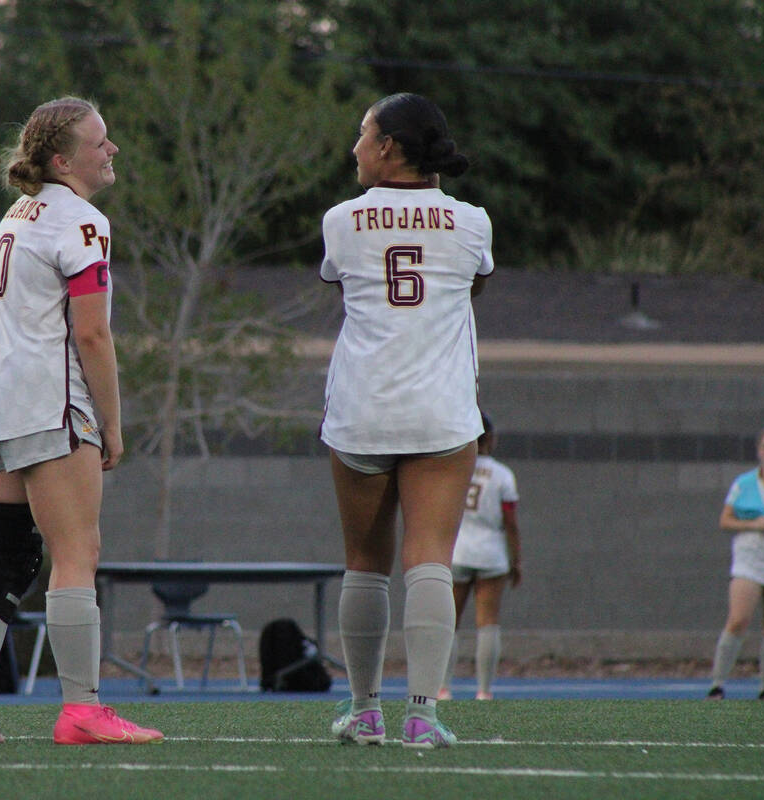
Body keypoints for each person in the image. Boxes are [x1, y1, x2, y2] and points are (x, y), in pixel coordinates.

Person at [0, 96, 162, 746]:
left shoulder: (18, 212)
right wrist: (112, 425)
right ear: (63, 160)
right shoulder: (82, 220)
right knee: (77, 552)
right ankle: (82, 710)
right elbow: (91, 334)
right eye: (100, 141)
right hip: (48, 401)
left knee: (7, 554)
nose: (112, 149)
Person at [320, 92, 493, 749]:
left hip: (362, 407)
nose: (356, 146)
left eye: (363, 134)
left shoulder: (341, 220)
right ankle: (422, 715)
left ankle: (365, 712)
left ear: (388, 147)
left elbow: (345, 282)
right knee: (430, 562)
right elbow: (471, 285)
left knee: (364, 562)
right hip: (441, 412)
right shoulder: (473, 222)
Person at [438, 412, 521, 701]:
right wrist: (516, 560)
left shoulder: (454, 469)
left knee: (449, 620)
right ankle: (484, 691)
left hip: (458, 550)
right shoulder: (502, 474)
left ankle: (443, 688)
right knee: (487, 621)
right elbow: (510, 523)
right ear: (491, 439)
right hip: (491, 554)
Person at [707, 424, 764, 700]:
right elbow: (725, 520)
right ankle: (717, 684)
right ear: (759, 451)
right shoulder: (743, 484)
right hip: (749, 558)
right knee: (738, 619)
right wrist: (754, 524)